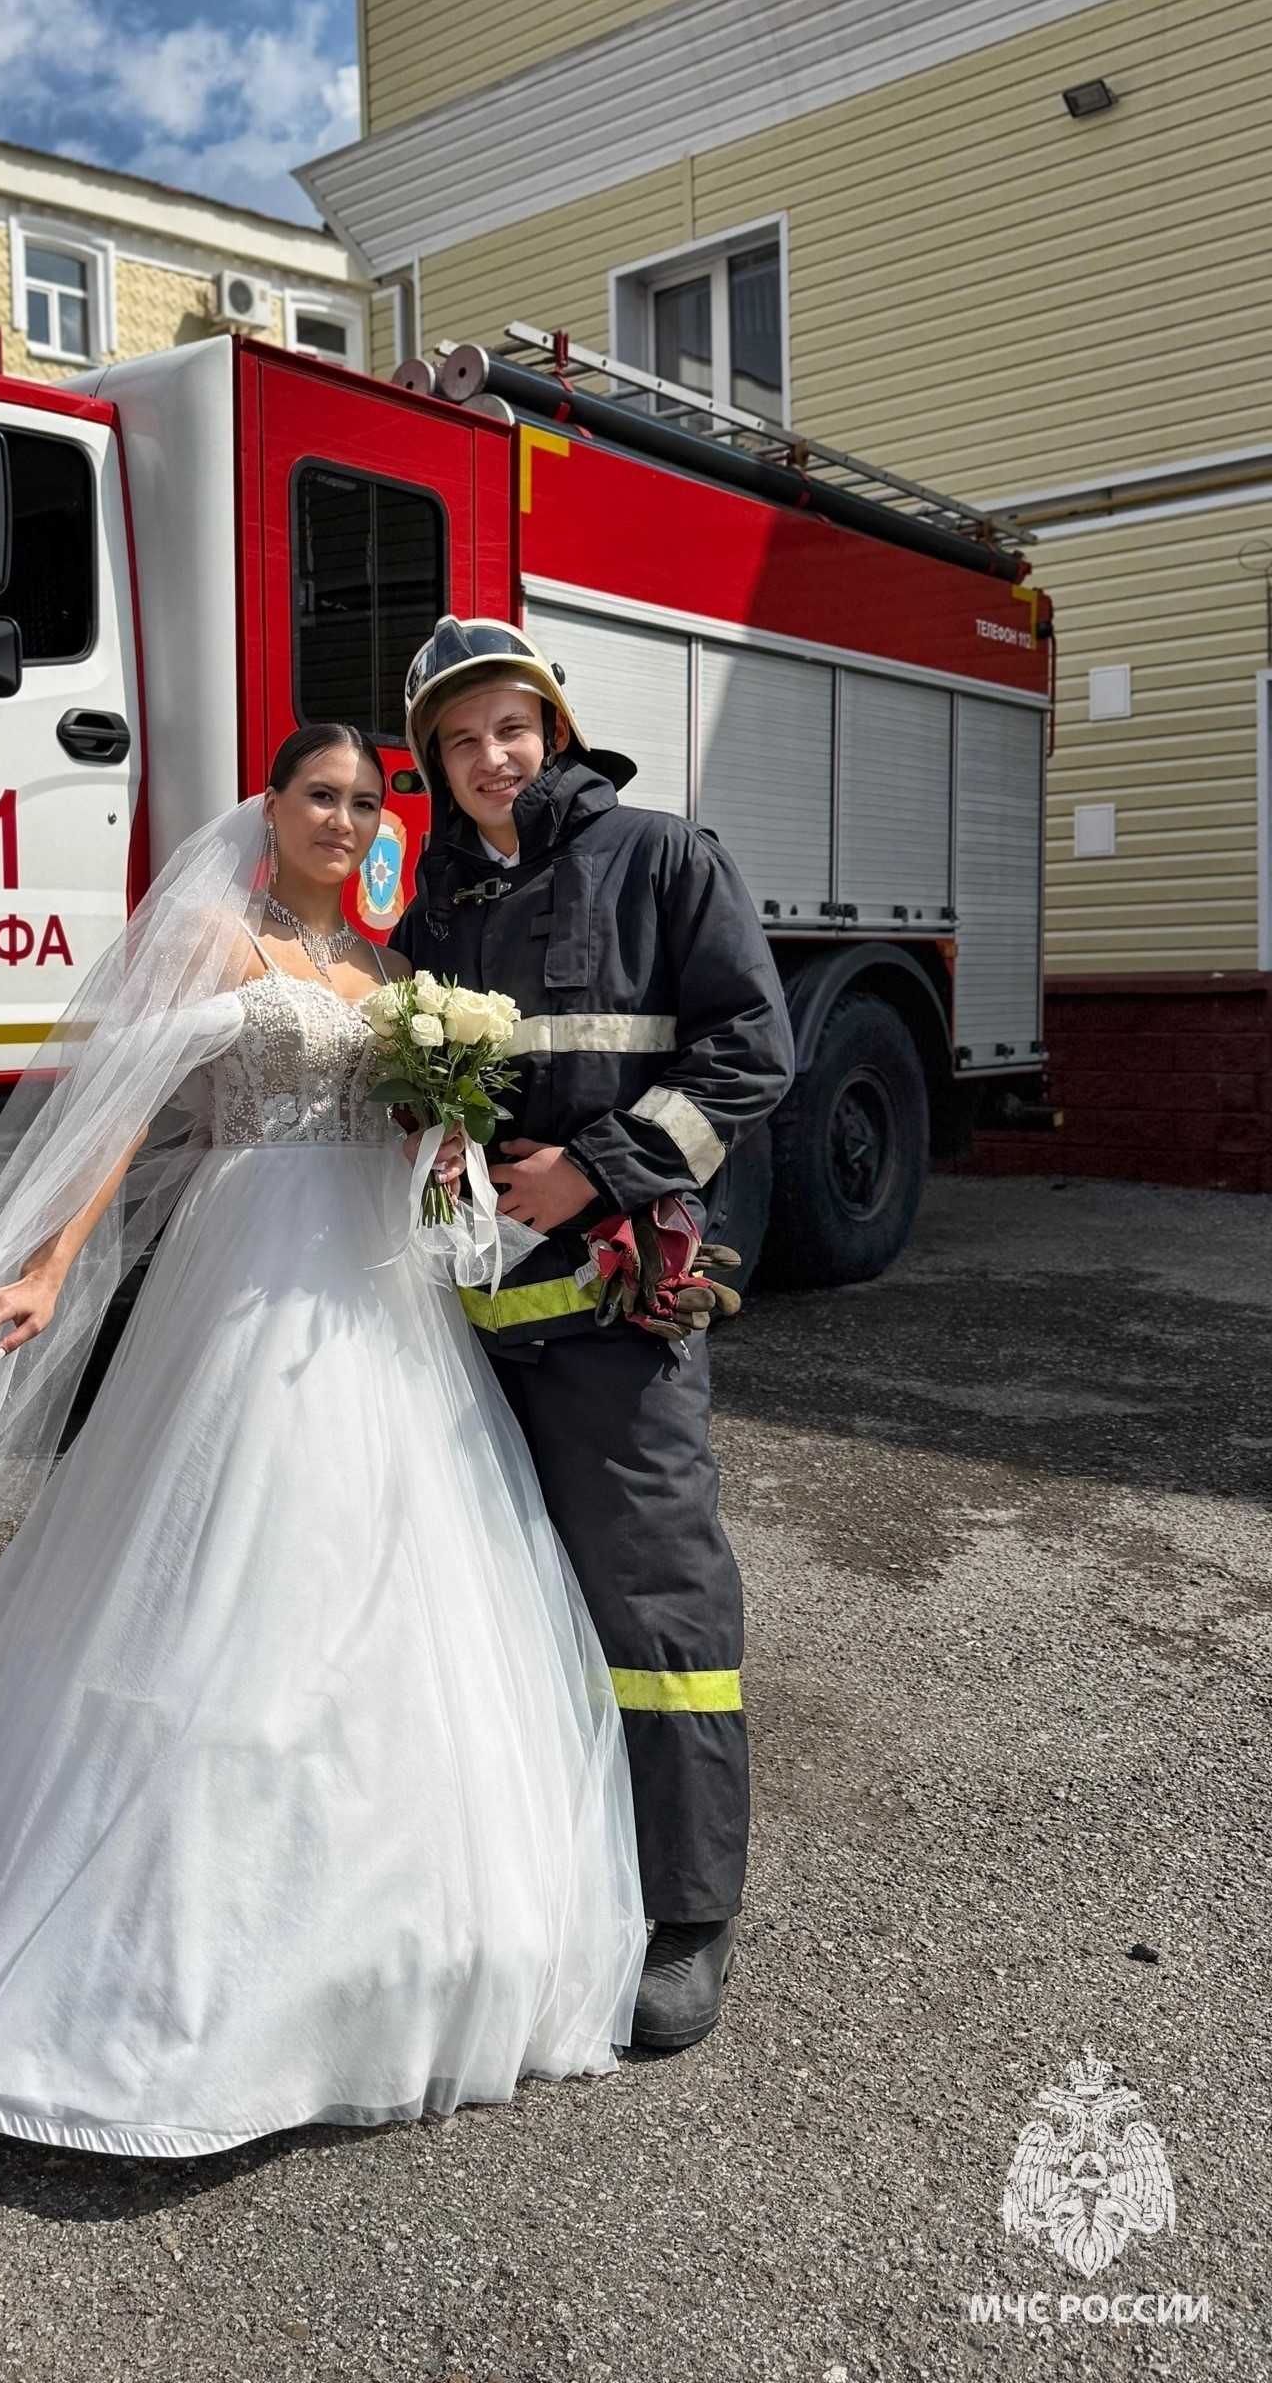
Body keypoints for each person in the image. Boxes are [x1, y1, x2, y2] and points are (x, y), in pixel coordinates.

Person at [0, 724, 644, 2157]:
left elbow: (425, 1151)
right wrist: (50, 1265)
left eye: (365, 802)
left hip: (377, 1303)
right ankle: (157, 1970)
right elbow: (119, 1117)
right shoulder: (220, 947)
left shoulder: (398, 978)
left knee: (395, 1591)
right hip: (241, 1284)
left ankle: (385, 1956)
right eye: (320, 796)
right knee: (225, 1579)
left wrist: (454, 1155)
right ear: (272, 808)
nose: (345, 819)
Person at [391, 619, 794, 2053]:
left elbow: (751, 1050)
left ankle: (691, 1906)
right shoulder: (431, 907)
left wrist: (599, 1172)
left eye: (511, 727)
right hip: (475, 1325)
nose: (491, 758)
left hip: (621, 1316)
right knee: (506, 1603)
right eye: (460, 740)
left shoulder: (665, 858)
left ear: (550, 730)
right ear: (435, 763)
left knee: (656, 1602)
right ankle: (560, 1870)